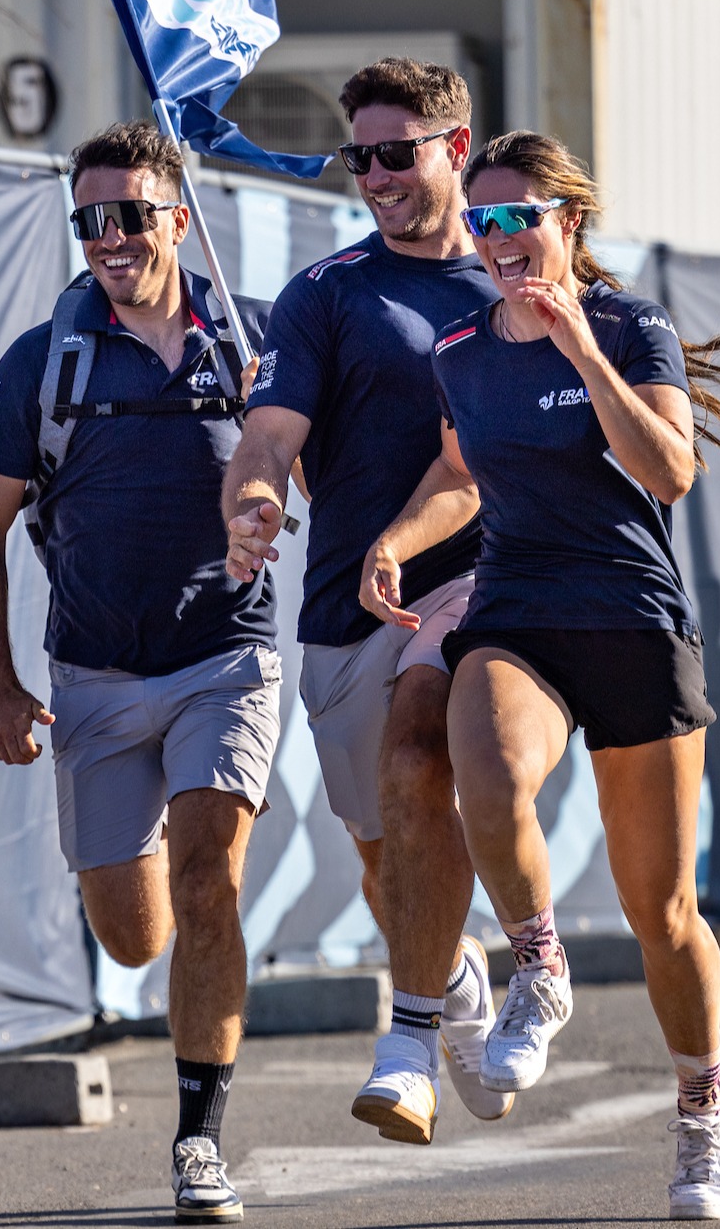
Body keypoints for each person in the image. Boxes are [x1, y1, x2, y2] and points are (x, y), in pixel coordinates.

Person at [389, 129, 720, 1219]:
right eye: (486, 220)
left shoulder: (629, 322)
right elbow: (462, 469)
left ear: (569, 224)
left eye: (522, 219)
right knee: (488, 780)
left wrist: (580, 352)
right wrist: (398, 541)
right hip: (519, 613)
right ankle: (538, 965)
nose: (500, 238)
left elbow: (670, 470)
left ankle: (702, 1113)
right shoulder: (458, 348)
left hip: (635, 624)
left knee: (666, 912)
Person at [0, 120, 278, 1223]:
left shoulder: (254, 342)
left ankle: (198, 1139)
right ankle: (198, 966)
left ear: (179, 219)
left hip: (224, 660)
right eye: (89, 218)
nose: (110, 237)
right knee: (136, 935)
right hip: (91, 677)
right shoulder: (44, 360)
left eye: (132, 213)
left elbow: (353, 451)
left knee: (208, 884)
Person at [220, 58, 511, 1144]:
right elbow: (269, 436)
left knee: (422, 751)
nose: (377, 175)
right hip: (351, 607)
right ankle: (456, 977)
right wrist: (251, 501)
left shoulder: (513, 275)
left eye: (399, 152)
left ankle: (410, 1037)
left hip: (487, 586)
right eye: (361, 157)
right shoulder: (326, 293)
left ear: (455, 143)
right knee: (391, 847)